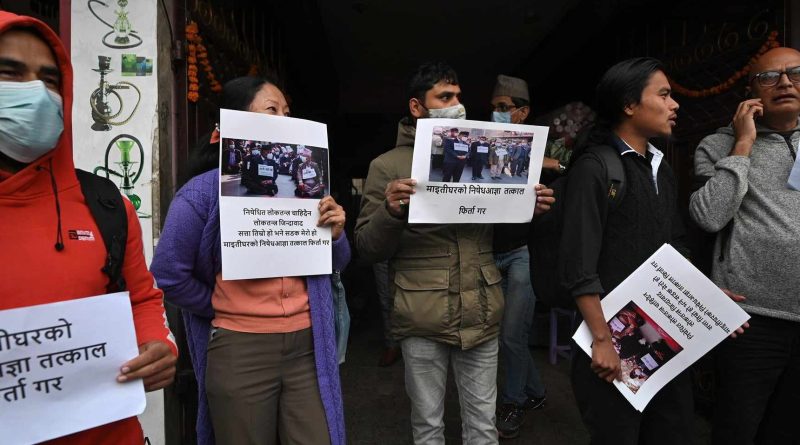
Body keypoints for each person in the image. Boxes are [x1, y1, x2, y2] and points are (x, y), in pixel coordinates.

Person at [0, 12, 177, 444]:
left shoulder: (105, 203)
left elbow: (141, 298)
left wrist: (158, 343)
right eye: (10, 73)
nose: (36, 94)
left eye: (50, 79)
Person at [355, 61, 554, 445]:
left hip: (482, 311)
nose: (457, 105)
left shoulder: (486, 152)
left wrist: (529, 206)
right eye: (445, 97)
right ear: (416, 107)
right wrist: (390, 212)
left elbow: (500, 230)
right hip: (421, 314)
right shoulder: (388, 166)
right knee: (428, 427)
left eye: (458, 97)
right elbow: (367, 248)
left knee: (483, 427)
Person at [151, 76, 349, 445]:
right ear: (235, 120)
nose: (285, 119)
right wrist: (217, 304)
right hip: (240, 348)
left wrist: (336, 235)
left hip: (308, 344)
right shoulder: (201, 193)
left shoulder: (308, 185)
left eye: (287, 112)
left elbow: (338, 262)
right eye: (272, 110)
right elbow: (168, 274)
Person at [558, 57, 694, 444]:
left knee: (671, 431)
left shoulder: (661, 167)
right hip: (611, 343)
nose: (674, 104)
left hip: (662, 336)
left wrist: (706, 298)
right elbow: (578, 263)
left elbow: (675, 244)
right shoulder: (596, 168)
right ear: (629, 104)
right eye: (663, 95)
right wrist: (602, 340)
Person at [689, 47, 800, 445]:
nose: (784, 83)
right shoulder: (718, 145)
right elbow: (708, 216)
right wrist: (744, 143)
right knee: (736, 430)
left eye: (795, 73)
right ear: (751, 91)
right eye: (769, 77)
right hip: (749, 318)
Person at [488, 74, 547, 439]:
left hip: (524, 253)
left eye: (504, 108)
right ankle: (535, 391)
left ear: (523, 113)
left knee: (511, 335)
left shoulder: (541, 153)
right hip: (490, 253)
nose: (496, 113)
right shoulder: (482, 145)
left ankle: (512, 402)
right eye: (493, 107)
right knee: (506, 337)